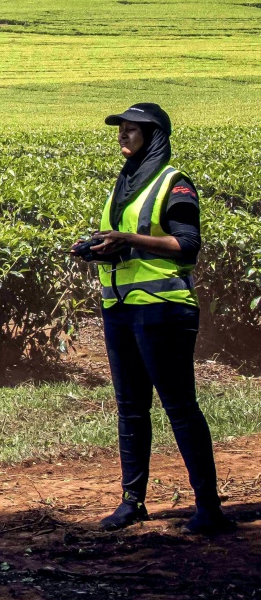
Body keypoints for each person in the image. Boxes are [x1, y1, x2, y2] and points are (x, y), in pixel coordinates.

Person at [83, 102, 235, 535]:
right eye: (121, 129)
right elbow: (130, 243)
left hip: (164, 311)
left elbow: (187, 245)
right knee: (130, 409)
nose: (123, 136)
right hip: (120, 309)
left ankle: (209, 509)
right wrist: (99, 247)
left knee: (180, 408)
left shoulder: (174, 183)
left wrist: (128, 239)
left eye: (132, 130)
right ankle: (132, 502)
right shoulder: (123, 183)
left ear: (154, 137)